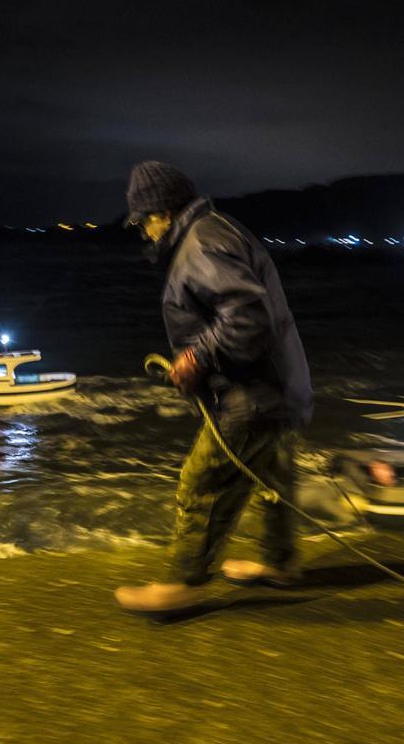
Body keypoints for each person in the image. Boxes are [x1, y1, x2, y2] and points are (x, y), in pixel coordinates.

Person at [114, 161, 313, 613]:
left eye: (144, 220)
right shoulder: (217, 229)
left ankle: (184, 582)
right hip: (281, 383)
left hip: (255, 393)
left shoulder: (201, 243)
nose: (144, 231)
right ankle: (281, 563)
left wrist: (198, 357)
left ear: (164, 211)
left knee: (201, 480)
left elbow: (246, 315)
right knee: (272, 476)